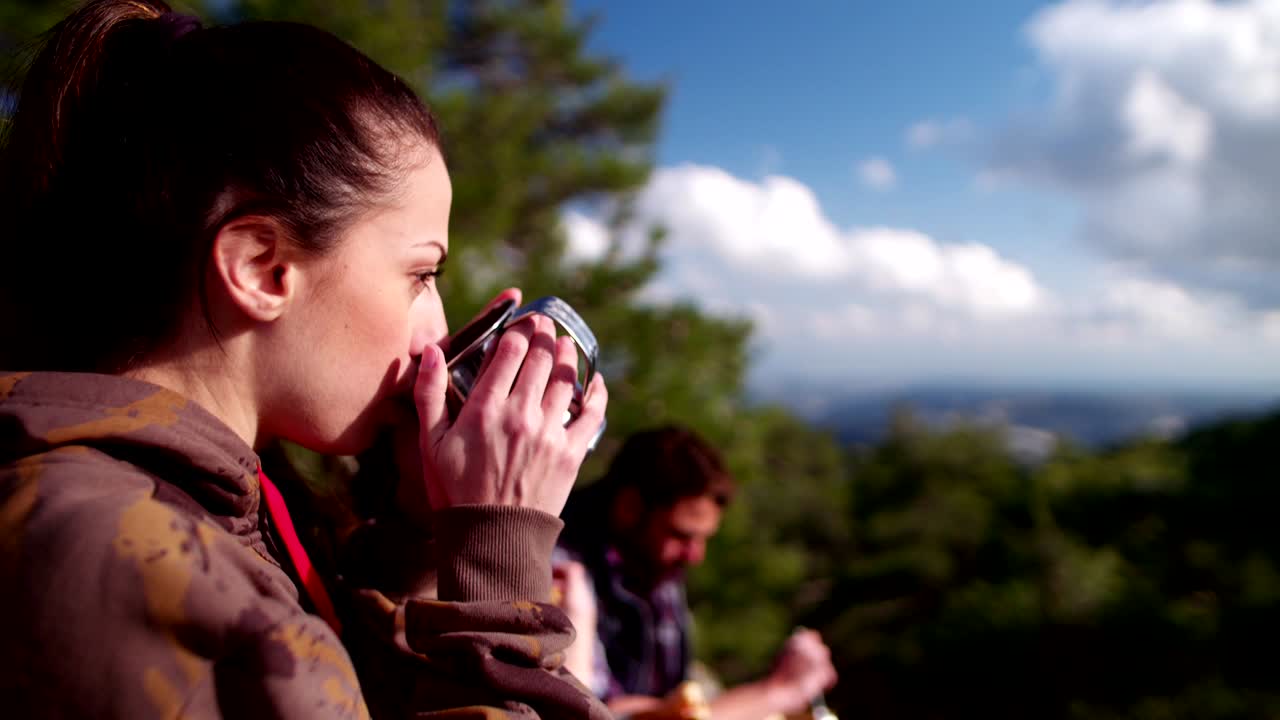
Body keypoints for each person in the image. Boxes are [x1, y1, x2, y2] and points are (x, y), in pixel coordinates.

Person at [0, 1, 610, 718]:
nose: (435, 334)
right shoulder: (110, 557)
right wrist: (499, 557)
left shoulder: (215, 513)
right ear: (261, 268)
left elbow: (331, 677)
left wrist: (423, 530)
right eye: (420, 275)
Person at [557, 426, 838, 720]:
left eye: (702, 538)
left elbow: (669, 697)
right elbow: (591, 714)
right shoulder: (560, 569)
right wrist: (778, 692)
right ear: (629, 507)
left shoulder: (649, 565)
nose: (695, 555)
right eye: (681, 536)